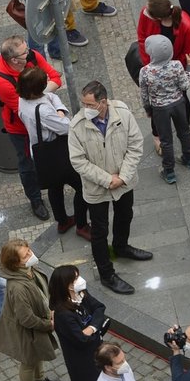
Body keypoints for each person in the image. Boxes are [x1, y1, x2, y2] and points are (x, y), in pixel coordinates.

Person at [67, 80, 151, 295]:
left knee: (125, 215)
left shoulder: (122, 113)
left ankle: (121, 247)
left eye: (90, 105)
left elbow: (135, 145)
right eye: (83, 104)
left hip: (124, 182)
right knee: (99, 231)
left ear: (103, 102)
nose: (85, 109)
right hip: (97, 188)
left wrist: (122, 177)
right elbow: (78, 161)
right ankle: (106, 274)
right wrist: (107, 180)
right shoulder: (77, 126)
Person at [0, 36, 63, 220]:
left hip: (42, 117)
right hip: (20, 130)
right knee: (26, 164)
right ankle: (35, 199)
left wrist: (40, 93)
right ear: (14, 60)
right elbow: (25, 110)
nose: (29, 52)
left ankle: (55, 180)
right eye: (24, 52)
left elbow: (55, 78)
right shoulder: (3, 83)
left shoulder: (32, 57)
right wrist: (48, 97)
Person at [16, 66, 90, 236]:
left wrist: (56, 105)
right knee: (83, 186)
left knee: (54, 187)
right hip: (57, 153)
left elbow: (51, 96)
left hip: (41, 153)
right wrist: (61, 112)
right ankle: (81, 225)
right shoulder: (43, 111)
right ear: (39, 88)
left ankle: (62, 221)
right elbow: (66, 127)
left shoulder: (22, 100)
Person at [0, 239, 66, 381]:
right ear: (15, 263)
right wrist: (49, 325)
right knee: (28, 361)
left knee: (38, 353)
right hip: (26, 330)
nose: (30, 255)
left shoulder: (29, 270)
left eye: (29, 251)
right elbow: (26, 319)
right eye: (25, 255)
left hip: (38, 323)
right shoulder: (18, 287)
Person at [50, 265, 105, 381]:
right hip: (80, 361)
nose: (79, 281)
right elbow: (80, 340)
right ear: (65, 285)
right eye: (74, 279)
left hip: (93, 353)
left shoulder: (81, 295)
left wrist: (91, 328)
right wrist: (94, 329)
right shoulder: (63, 314)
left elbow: (99, 308)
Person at [138, 35, 190, 184]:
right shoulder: (176, 65)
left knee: (166, 140)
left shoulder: (145, 71)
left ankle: (169, 171)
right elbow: (185, 85)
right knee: (184, 131)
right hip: (178, 103)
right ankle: (189, 159)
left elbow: (144, 94)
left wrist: (148, 109)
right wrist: (189, 67)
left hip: (160, 108)